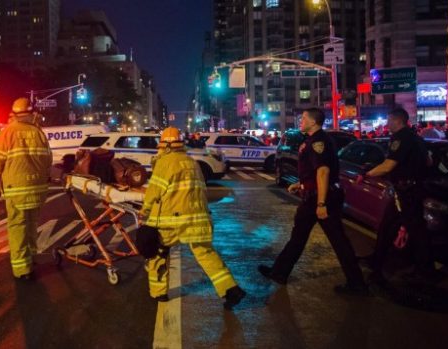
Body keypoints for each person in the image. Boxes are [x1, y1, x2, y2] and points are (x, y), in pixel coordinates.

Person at [258, 108, 368, 296]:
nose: (300, 121)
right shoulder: (311, 140)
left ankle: (357, 284)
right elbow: (312, 170)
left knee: (338, 241)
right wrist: (302, 184)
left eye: (304, 118)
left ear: (314, 122)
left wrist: (321, 204)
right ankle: (279, 273)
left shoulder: (319, 141)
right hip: (311, 196)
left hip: (321, 198)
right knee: (298, 236)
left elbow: (323, 171)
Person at [140, 127, 246, 310]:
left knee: (159, 252)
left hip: (172, 221)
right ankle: (231, 290)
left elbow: (154, 192)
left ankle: (160, 293)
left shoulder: (164, 163)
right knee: (206, 254)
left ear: (164, 146)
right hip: (198, 218)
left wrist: (145, 211)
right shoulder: (192, 162)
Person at [358, 108, 437, 284]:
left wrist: (366, 174)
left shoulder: (401, 138)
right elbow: (429, 161)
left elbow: (388, 166)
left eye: (389, 120)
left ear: (397, 121)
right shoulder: (417, 138)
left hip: (407, 191)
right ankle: (377, 259)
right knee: (387, 226)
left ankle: (425, 271)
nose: (387, 124)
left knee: (417, 231)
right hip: (411, 189)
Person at [0, 97, 52, 281]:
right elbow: (48, 160)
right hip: (37, 189)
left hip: (16, 191)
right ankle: (31, 259)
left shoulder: (8, 133)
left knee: (18, 227)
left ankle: (22, 269)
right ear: (31, 113)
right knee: (31, 226)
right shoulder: (39, 133)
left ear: (14, 113)